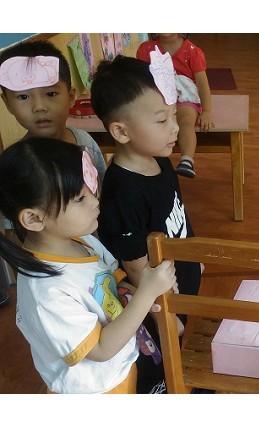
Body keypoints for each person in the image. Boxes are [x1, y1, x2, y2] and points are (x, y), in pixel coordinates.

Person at [0, 137, 177, 393]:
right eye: (80, 198)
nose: (95, 201)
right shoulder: (46, 295)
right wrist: (147, 292)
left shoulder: (82, 241)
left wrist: (145, 295)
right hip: (100, 389)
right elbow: (101, 349)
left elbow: (111, 282)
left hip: (127, 361)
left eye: (91, 190)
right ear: (34, 219)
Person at [90, 54, 203, 394]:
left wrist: (193, 256)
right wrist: (166, 316)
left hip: (179, 283)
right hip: (158, 307)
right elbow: (137, 269)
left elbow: (176, 213)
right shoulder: (122, 194)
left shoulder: (159, 161)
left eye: (174, 115)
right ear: (121, 131)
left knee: (179, 353)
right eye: (162, 120)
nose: (175, 128)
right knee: (161, 361)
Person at [0, 40, 108, 250]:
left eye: (50, 94)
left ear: (71, 96)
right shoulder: (16, 166)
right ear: (7, 103)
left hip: (97, 253)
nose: (39, 107)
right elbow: (13, 232)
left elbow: (104, 195)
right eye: (23, 97)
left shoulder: (84, 142)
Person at [136, 34, 213, 179]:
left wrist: (207, 111)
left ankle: (187, 161)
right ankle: (154, 161)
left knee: (186, 121)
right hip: (158, 96)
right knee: (156, 123)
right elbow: (141, 79)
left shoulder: (192, 51)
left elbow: (203, 84)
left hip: (185, 96)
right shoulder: (146, 49)